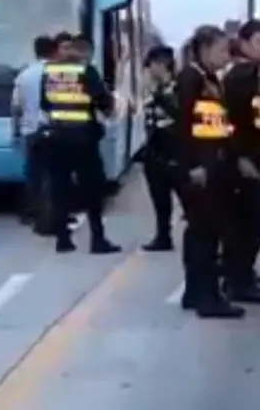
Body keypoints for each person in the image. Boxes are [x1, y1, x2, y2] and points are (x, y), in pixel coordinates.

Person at [176, 25, 244, 319]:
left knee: (203, 232)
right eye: (220, 50)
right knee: (205, 234)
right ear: (204, 49)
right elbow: (182, 125)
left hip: (214, 164)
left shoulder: (211, 79)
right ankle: (208, 298)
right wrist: (193, 165)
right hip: (200, 168)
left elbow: (218, 122)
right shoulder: (190, 78)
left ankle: (194, 292)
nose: (226, 57)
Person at [38, 32, 120, 255]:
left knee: (60, 189)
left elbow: (45, 104)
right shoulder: (86, 71)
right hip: (83, 138)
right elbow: (104, 102)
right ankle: (98, 239)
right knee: (93, 189)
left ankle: (63, 239)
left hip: (56, 136)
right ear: (84, 51)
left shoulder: (50, 71)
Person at [221, 19, 260, 304]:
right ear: (243, 45)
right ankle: (237, 281)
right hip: (241, 165)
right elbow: (227, 122)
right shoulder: (239, 78)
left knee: (251, 224)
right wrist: (240, 156)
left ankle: (242, 273)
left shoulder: (255, 77)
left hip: (256, 160)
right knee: (248, 226)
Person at [139, 45, 180, 251]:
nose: (149, 71)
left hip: (175, 151)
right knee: (160, 199)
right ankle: (163, 236)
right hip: (155, 151)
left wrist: (161, 95)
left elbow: (180, 115)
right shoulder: (152, 88)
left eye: (151, 66)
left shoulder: (178, 87)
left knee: (190, 200)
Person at [11, 34, 53, 233]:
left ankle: (30, 212)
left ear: (35, 51)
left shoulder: (24, 75)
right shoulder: (58, 74)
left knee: (32, 174)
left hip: (31, 131)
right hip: (53, 130)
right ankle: (50, 214)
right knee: (53, 174)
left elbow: (16, 107)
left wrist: (15, 131)